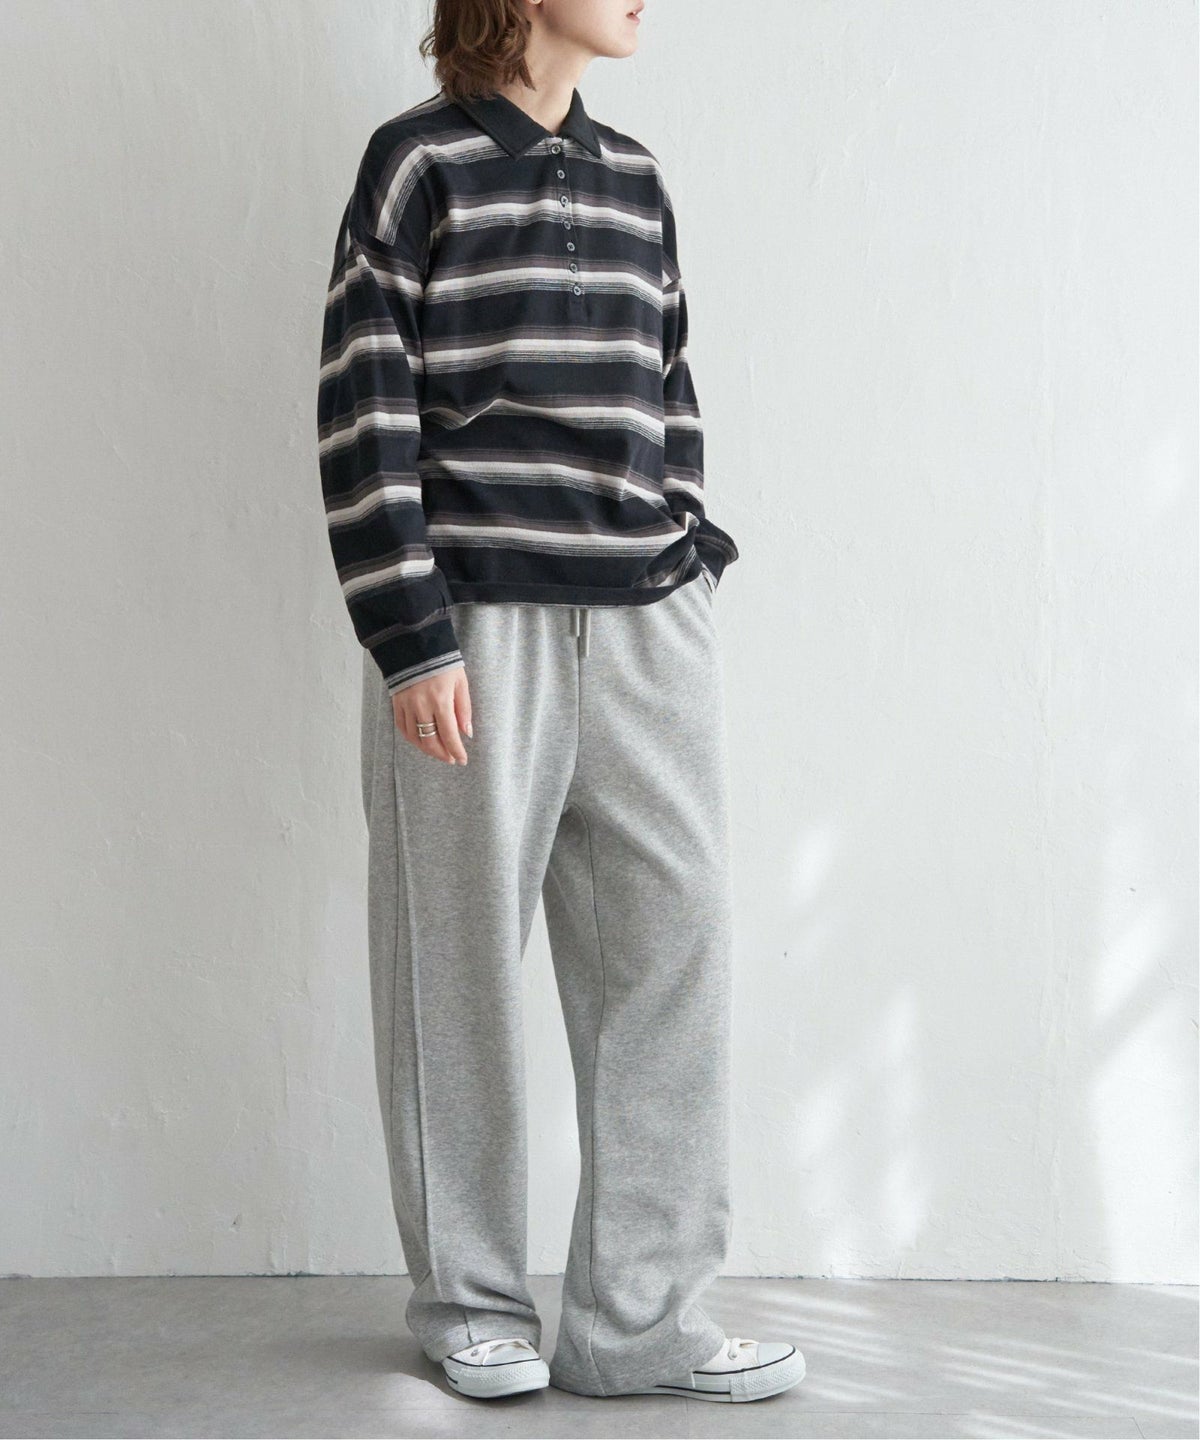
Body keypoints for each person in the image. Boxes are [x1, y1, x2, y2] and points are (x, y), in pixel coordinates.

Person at [316, 0, 805, 1405]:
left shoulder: (636, 178)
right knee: (458, 965)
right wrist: (412, 637)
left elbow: (671, 385)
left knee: (672, 957)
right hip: (479, 623)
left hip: (649, 623)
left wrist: (690, 547)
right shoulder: (416, 166)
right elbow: (364, 404)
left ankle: (640, 1322)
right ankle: (471, 1303)